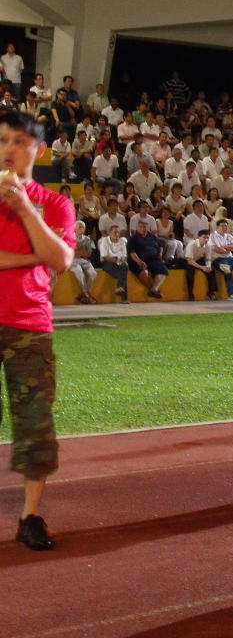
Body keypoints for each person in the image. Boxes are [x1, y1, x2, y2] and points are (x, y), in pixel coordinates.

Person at [0, 112, 76, 550]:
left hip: (30, 324)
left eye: (21, 141)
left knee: (35, 425)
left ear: (39, 149)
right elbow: (50, 255)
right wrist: (35, 256)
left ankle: (30, 516)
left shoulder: (54, 202)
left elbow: (63, 260)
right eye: (5, 140)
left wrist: (26, 208)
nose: (11, 148)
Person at [208, 219, 233, 301]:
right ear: (217, 227)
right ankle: (232, 295)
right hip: (218, 259)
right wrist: (229, 247)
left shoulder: (229, 236)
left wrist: (224, 247)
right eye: (222, 226)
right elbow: (217, 250)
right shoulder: (212, 236)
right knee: (227, 270)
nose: (224, 227)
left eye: (226, 226)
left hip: (230, 259)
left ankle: (226, 267)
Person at [127, 220, 168, 299]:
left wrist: (160, 254)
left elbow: (161, 246)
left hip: (153, 259)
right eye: (141, 227)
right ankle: (153, 289)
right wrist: (140, 262)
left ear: (148, 228)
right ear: (137, 228)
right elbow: (132, 254)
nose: (143, 229)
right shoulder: (133, 238)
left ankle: (154, 289)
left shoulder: (153, 237)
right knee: (144, 273)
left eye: (145, 227)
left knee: (163, 270)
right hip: (137, 261)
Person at [184, 229, 218, 301]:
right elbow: (189, 260)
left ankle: (211, 292)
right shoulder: (192, 244)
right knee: (190, 273)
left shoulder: (208, 246)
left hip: (198, 259)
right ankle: (190, 295)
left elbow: (208, 259)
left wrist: (208, 266)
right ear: (199, 237)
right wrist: (202, 267)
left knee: (211, 270)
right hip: (187, 260)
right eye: (204, 237)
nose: (206, 239)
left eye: (207, 238)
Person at [68, 221, 97, 304]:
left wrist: (78, 252)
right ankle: (86, 294)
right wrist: (81, 252)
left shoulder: (87, 239)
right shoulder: (70, 238)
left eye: (83, 227)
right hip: (72, 261)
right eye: (79, 227)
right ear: (75, 229)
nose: (81, 229)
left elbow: (89, 253)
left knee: (93, 273)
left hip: (84, 260)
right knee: (79, 272)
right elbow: (70, 253)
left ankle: (84, 294)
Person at [98, 224, 128, 302]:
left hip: (119, 262)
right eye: (115, 232)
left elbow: (124, 255)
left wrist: (122, 260)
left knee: (125, 266)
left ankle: (120, 288)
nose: (117, 234)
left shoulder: (122, 241)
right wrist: (116, 261)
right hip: (108, 262)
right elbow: (105, 256)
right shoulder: (104, 241)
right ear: (109, 233)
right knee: (123, 274)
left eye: (118, 232)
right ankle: (124, 298)